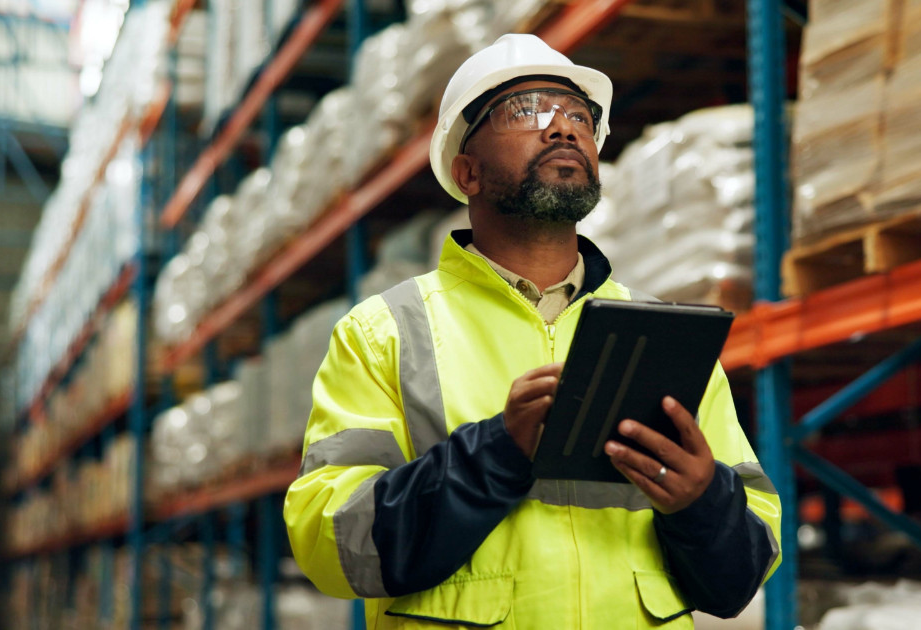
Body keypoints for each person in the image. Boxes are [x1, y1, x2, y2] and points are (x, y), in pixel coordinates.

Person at [284, 33, 782, 628]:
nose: (563, 128)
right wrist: (494, 453)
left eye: (579, 116)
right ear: (466, 172)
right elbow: (331, 545)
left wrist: (702, 504)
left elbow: (741, 576)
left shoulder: (663, 335)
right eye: (529, 111)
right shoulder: (386, 333)